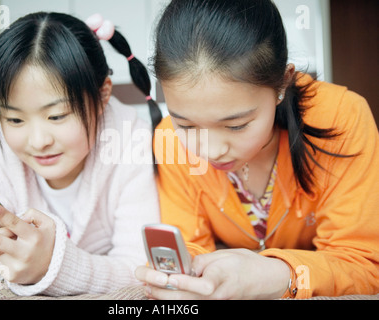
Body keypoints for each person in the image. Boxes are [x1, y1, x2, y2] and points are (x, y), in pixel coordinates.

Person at [135, 0, 379, 299]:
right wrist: (183, 281)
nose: (210, 151)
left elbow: (364, 263)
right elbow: (189, 246)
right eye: (186, 125)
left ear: (282, 83)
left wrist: (280, 273)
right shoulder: (168, 139)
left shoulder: (342, 116)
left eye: (236, 125)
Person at [0, 12, 161, 296]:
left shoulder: (131, 139)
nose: (38, 141)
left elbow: (141, 267)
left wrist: (52, 266)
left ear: (102, 97)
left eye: (57, 116)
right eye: (15, 120)